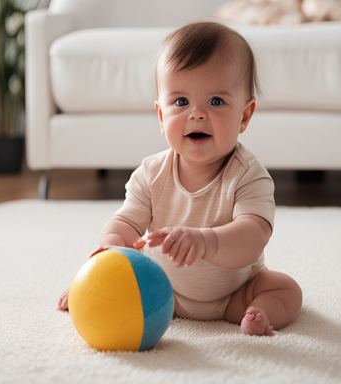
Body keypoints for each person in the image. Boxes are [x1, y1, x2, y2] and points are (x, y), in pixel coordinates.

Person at [58, 21, 302, 336]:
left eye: (216, 101)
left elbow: (251, 239)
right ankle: (87, 288)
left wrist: (204, 241)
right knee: (114, 282)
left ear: (244, 115)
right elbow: (125, 224)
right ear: (161, 116)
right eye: (181, 102)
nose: (197, 114)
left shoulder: (249, 176)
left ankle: (259, 314)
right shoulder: (150, 174)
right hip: (161, 293)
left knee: (286, 291)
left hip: (235, 293)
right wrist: (110, 252)